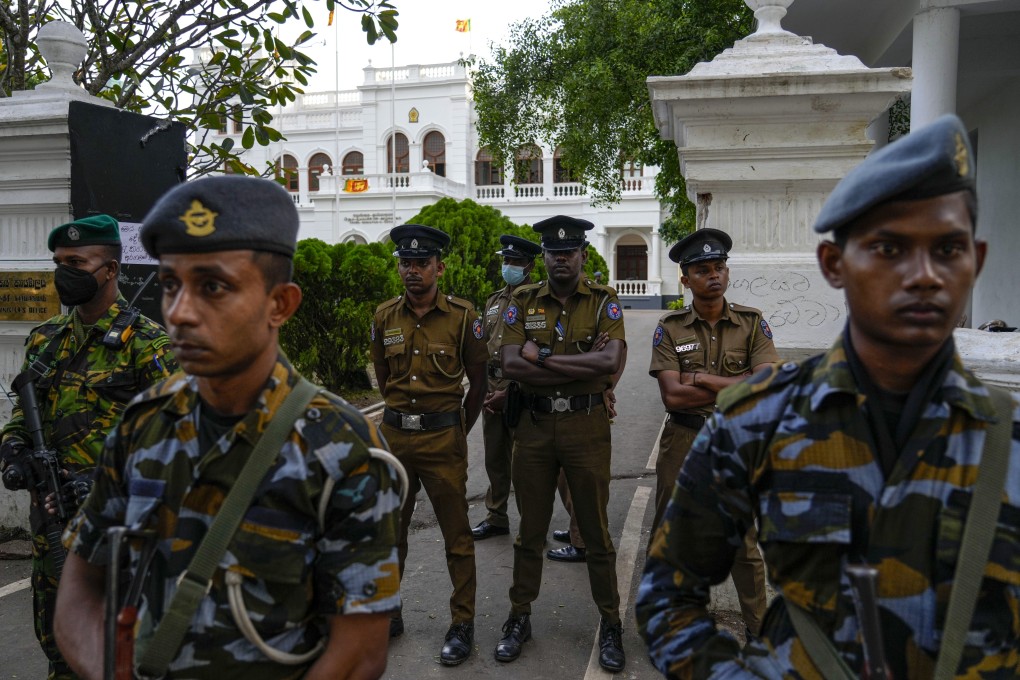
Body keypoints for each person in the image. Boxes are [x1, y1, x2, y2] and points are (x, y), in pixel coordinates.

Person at [637, 114, 1020, 678]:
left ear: (976, 262)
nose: (923, 276)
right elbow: (666, 596)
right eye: (889, 248)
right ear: (835, 265)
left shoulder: (1006, 443)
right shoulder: (760, 424)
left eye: (947, 249)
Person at [54, 176, 402, 679]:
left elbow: (358, 654)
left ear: (280, 304)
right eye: (171, 285)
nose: (180, 313)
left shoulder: (342, 448)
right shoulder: (142, 424)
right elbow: (83, 582)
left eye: (213, 287)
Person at [0, 214, 178, 680]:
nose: (64, 272)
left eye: (77, 262)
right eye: (59, 262)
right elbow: (23, 413)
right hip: (51, 519)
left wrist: (103, 481)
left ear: (111, 270)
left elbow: (171, 440)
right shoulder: (46, 339)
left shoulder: (147, 344)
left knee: (115, 651)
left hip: (115, 530)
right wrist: (14, 450)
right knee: (57, 642)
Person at [495, 215, 627, 672]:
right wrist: (581, 364)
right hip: (532, 428)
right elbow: (512, 364)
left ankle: (611, 623)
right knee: (529, 529)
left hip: (586, 427)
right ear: (545, 257)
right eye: (554, 252)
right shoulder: (522, 300)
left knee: (595, 531)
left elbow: (608, 365)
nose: (561, 258)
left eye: (569, 252)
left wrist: (545, 356)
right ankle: (519, 615)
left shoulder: (605, 301)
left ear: (583, 255)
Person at [647, 228, 778, 638]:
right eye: (702, 270)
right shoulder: (669, 328)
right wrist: (734, 386)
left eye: (719, 267)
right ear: (685, 280)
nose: (714, 275)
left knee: (744, 545)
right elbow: (673, 396)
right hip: (684, 442)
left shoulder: (752, 323)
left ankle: (760, 631)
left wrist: (701, 378)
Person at [371, 224, 487, 665]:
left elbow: (478, 381)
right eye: (406, 263)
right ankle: (389, 612)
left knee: (457, 536)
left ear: (440, 266)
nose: (413, 270)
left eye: (421, 263)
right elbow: (384, 378)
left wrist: (459, 427)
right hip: (397, 439)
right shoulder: (385, 316)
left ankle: (462, 623)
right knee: (390, 534)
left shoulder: (462, 317)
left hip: (443, 439)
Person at [472, 234, 542, 541]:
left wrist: (511, 390)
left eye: (514, 262)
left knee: (525, 462)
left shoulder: (538, 300)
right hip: (492, 386)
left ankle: (532, 524)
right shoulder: (494, 300)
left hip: (522, 388)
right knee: (494, 457)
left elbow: (539, 352)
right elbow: (485, 344)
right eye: (505, 260)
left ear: (528, 265)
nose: (508, 266)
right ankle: (496, 515)